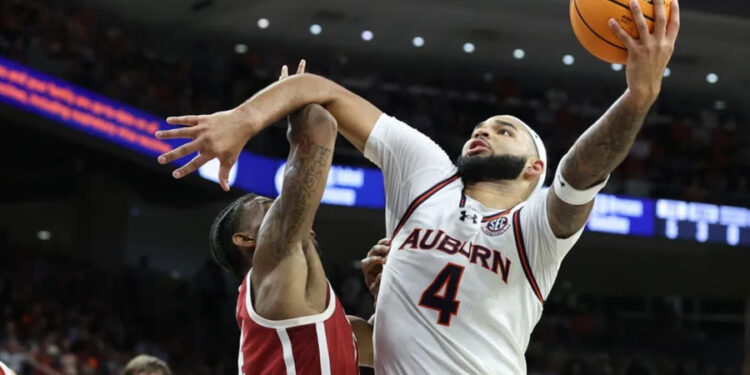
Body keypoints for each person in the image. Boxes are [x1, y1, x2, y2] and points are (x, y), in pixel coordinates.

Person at [156, 0, 679, 372]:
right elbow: (323, 93)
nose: (483, 130)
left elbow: (581, 172)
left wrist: (636, 99)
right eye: (482, 126)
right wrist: (244, 119)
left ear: (532, 169)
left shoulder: (535, 229)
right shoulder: (427, 173)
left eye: (505, 130)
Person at [203, 62, 369, 374]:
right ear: (247, 240)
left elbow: (382, 346)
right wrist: (290, 97)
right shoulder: (273, 268)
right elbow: (321, 126)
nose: (286, 206)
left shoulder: (325, 318)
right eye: (270, 207)